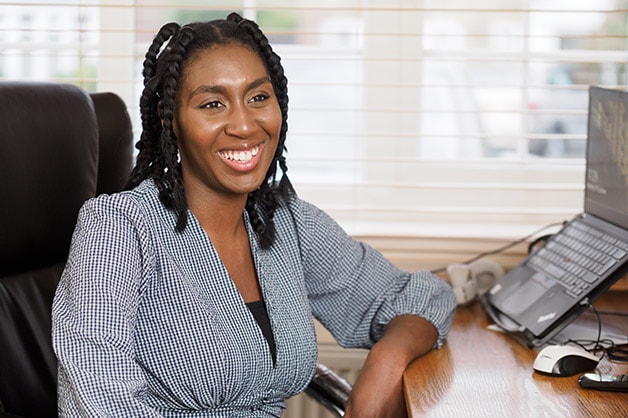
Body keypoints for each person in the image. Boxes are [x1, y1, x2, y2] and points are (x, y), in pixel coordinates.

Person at [51, 12, 456, 418]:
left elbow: (419, 296)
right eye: (213, 104)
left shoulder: (284, 224)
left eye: (259, 97)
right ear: (170, 120)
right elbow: (100, 403)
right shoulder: (118, 229)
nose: (245, 125)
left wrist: (389, 359)